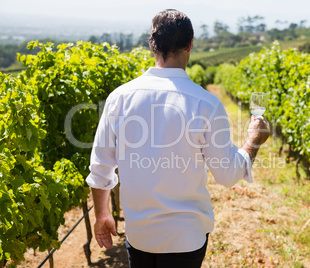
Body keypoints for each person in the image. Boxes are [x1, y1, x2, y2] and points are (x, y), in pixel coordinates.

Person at [86, 9, 269, 268]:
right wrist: (254, 141)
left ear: (152, 45)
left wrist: (102, 213)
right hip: (187, 239)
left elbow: (100, 167)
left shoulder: (120, 98)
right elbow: (227, 175)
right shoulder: (206, 104)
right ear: (191, 45)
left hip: (140, 236)